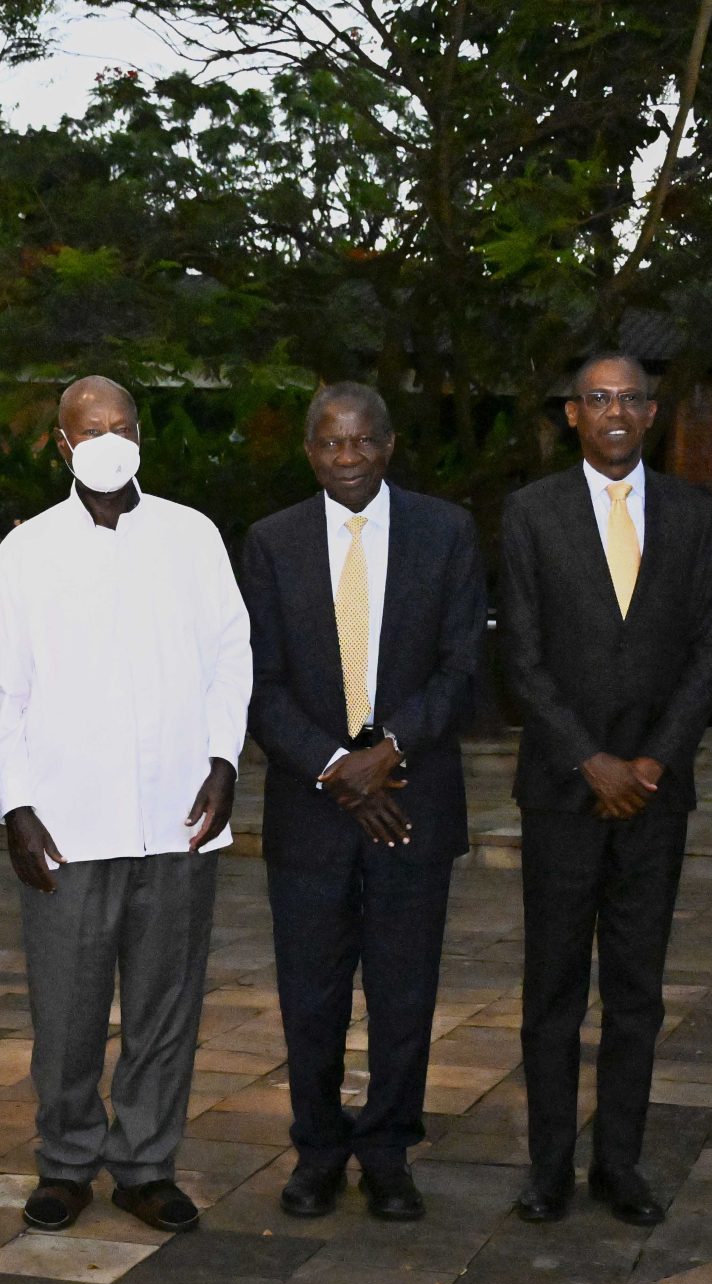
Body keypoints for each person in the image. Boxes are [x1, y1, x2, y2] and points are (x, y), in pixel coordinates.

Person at [0, 375, 252, 1234]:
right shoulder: (25, 553)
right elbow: (1, 691)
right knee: (65, 1006)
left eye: (121, 423)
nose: (107, 437)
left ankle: (145, 1163)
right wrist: (14, 804)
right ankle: (66, 1162)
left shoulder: (193, 535)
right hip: (67, 820)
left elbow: (229, 656)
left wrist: (224, 758)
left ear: (142, 432)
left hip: (180, 814)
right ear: (61, 445)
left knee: (166, 1004)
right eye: (88, 427)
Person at [237, 382, 484, 1224]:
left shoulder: (446, 533)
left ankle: (386, 1153)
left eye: (362, 442)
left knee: (405, 993)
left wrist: (388, 754)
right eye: (330, 444)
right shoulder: (270, 543)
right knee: (311, 995)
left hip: (412, 798)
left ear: (389, 445)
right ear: (310, 451)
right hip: (311, 810)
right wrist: (339, 769)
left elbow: (461, 666)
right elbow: (258, 682)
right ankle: (317, 1150)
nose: (348, 458)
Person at [500, 354, 712, 1226]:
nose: (617, 412)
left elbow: (711, 645)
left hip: (654, 795)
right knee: (552, 988)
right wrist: (588, 760)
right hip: (563, 793)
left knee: (637, 990)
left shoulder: (693, 512)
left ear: (655, 412)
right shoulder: (532, 514)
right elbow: (519, 651)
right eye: (599, 398)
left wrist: (653, 763)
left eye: (632, 398)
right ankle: (549, 1165)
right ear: (572, 414)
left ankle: (620, 1164)